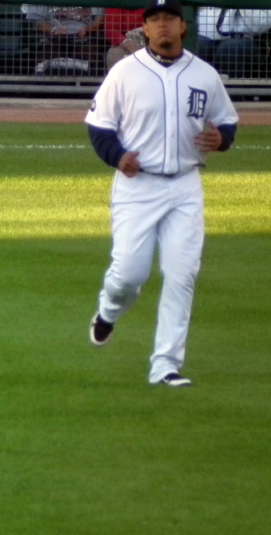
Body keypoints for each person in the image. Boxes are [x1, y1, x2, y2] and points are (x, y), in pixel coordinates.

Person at [85, 0, 239, 387]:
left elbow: (227, 121)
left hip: (186, 185)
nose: (163, 25)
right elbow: (99, 127)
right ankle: (107, 311)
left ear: (183, 26)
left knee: (181, 274)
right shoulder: (124, 72)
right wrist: (118, 157)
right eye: (155, 20)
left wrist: (221, 140)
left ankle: (165, 365)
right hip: (138, 187)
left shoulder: (204, 74)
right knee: (128, 276)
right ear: (146, 29)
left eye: (169, 18)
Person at [23, 4, 106, 75]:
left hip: (84, 39)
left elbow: (99, 18)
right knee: (47, 54)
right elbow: (38, 22)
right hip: (52, 40)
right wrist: (53, 30)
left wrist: (88, 29)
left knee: (90, 54)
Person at [197, 6, 271, 78]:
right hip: (206, 36)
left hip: (246, 40)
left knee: (230, 49)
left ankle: (229, 89)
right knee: (198, 45)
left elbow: (260, 25)